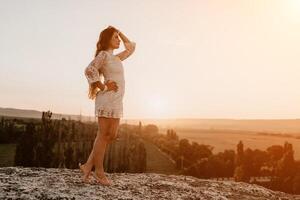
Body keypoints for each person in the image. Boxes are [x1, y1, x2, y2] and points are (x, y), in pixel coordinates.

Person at [79, 25, 136, 186]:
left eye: (118, 38)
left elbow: (131, 47)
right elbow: (89, 69)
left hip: (117, 101)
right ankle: (99, 172)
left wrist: (120, 32)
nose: (118, 40)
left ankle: (88, 166)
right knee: (104, 134)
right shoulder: (104, 55)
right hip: (106, 99)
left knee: (110, 135)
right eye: (115, 37)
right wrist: (103, 87)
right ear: (107, 40)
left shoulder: (117, 58)